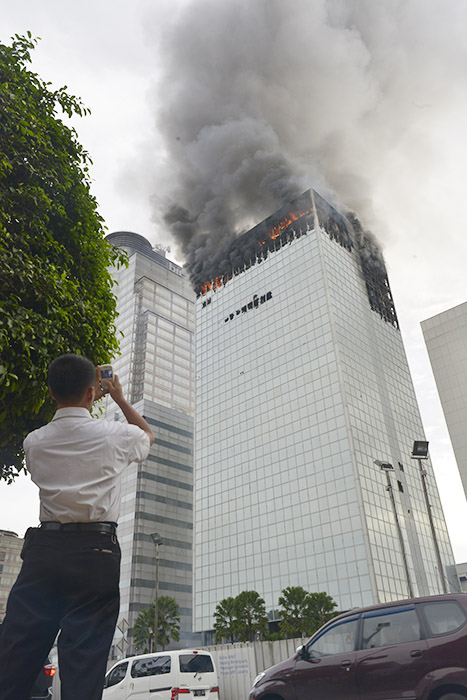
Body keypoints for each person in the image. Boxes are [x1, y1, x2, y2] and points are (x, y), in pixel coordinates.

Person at [0, 353, 154, 700]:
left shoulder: (34, 442)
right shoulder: (116, 436)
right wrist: (117, 397)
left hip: (44, 555)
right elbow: (147, 435)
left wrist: (84, 398)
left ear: (51, 393)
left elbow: (62, 428)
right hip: (94, 555)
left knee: (15, 660)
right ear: (91, 392)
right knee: (83, 667)